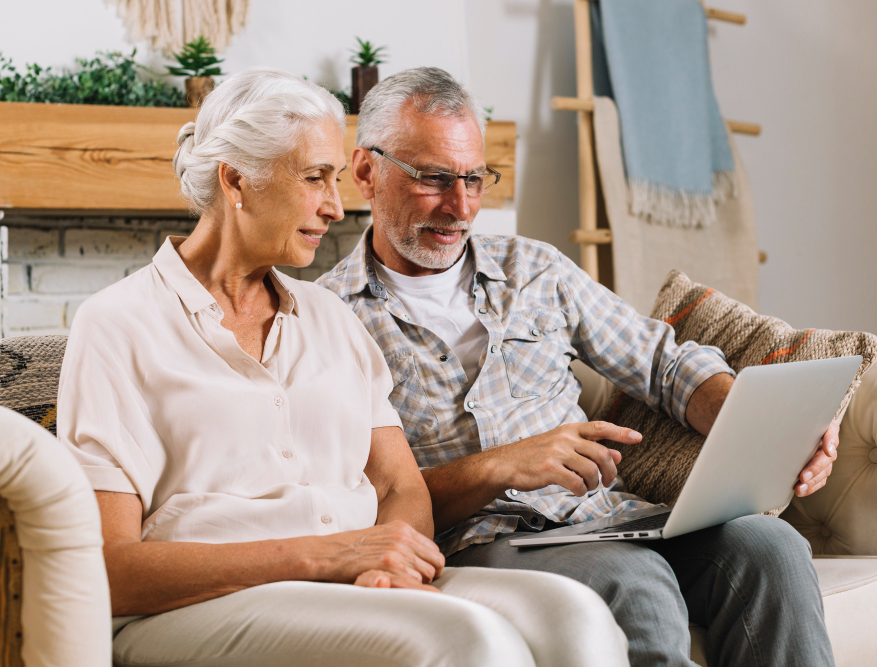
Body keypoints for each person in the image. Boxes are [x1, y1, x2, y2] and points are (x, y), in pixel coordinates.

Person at [56, 67, 629, 667]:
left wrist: (392, 568)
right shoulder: (118, 325)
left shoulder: (331, 318)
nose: (335, 207)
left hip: (353, 583)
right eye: (314, 179)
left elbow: (400, 486)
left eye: (335, 179)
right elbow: (108, 567)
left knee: (574, 616)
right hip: (196, 609)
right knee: (466, 642)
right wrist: (330, 554)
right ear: (235, 180)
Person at [317, 67, 840, 667]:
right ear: (365, 172)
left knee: (772, 546)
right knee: (635, 583)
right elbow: (359, 500)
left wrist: (771, 426)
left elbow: (664, 365)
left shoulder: (534, 270)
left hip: (605, 517)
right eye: (434, 179)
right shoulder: (327, 318)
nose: (461, 206)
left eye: (474, 179)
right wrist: (500, 466)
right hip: (482, 541)